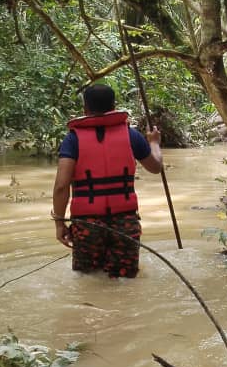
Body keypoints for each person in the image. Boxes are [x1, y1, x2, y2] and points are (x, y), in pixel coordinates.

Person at [52, 84, 162, 278]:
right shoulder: (131, 136)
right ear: (114, 106)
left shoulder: (72, 139)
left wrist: (59, 224)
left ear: (85, 109)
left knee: (87, 280)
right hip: (125, 222)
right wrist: (154, 143)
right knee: (125, 280)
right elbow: (155, 167)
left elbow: (61, 186)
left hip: (87, 226)